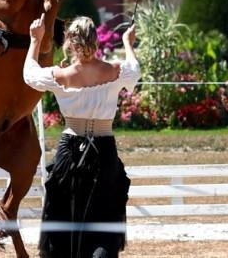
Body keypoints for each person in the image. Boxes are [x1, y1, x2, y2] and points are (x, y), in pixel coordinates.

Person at [23, 14, 141, 258]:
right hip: (104, 149)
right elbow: (135, 72)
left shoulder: (60, 75)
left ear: (70, 42)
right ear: (95, 41)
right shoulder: (115, 71)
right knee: (105, 211)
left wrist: (35, 40)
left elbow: (29, 75)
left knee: (63, 209)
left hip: (70, 149)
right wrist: (128, 43)